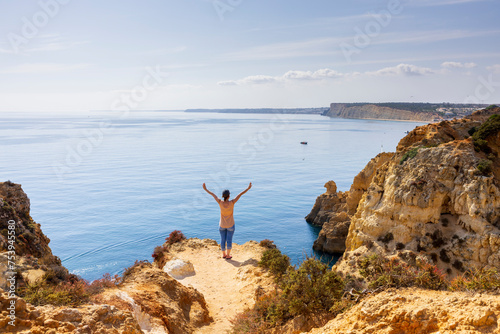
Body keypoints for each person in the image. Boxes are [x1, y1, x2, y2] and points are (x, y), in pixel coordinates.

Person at [202, 182, 252, 259]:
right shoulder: (232, 202)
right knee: (229, 240)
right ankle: (228, 255)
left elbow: (212, 194)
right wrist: (248, 188)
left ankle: (223, 254)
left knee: (222, 239)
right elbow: (240, 194)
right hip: (230, 225)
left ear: (223, 196)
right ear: (229, 196)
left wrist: (205, 189)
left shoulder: (220, 202)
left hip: (222, 225)